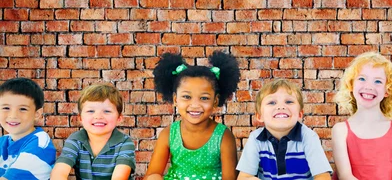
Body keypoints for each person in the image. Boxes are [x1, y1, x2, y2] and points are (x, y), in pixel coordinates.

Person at [144, 51, 240, 180]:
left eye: (204, 98)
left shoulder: (223, 136)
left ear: (215, 100)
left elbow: (230, 178)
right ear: (175, 99)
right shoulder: (169, 134)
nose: (195, 105)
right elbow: (152, 174)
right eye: (186, 97)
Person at [331, 52, 392, 180]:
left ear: (387, 90)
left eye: (378, 81)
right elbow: (345, 176)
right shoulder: (340, 130)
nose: (369, 87)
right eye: (362, 79)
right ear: (351, 84)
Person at [236, 79, 332, 180]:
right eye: (272, 102)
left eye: (289, 101)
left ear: (300, 114)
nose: (281, 107)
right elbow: (244, 177)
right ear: (259, 116)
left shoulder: (309, 137)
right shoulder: (255, 138)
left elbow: (323, 177)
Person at [51, 83, 135, 180]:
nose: (98, 116)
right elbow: (59, 172)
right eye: (91, 111)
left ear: (119, 118)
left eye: (107, 111)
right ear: (80, 118)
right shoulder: (75, 140)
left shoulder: (124, 143)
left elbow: (119, 177)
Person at [0, 78, 56, 179]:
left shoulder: (40, 144)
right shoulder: (3, 141)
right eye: (6, 108)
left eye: (23, 109)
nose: (13, 116)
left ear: (37, 114)